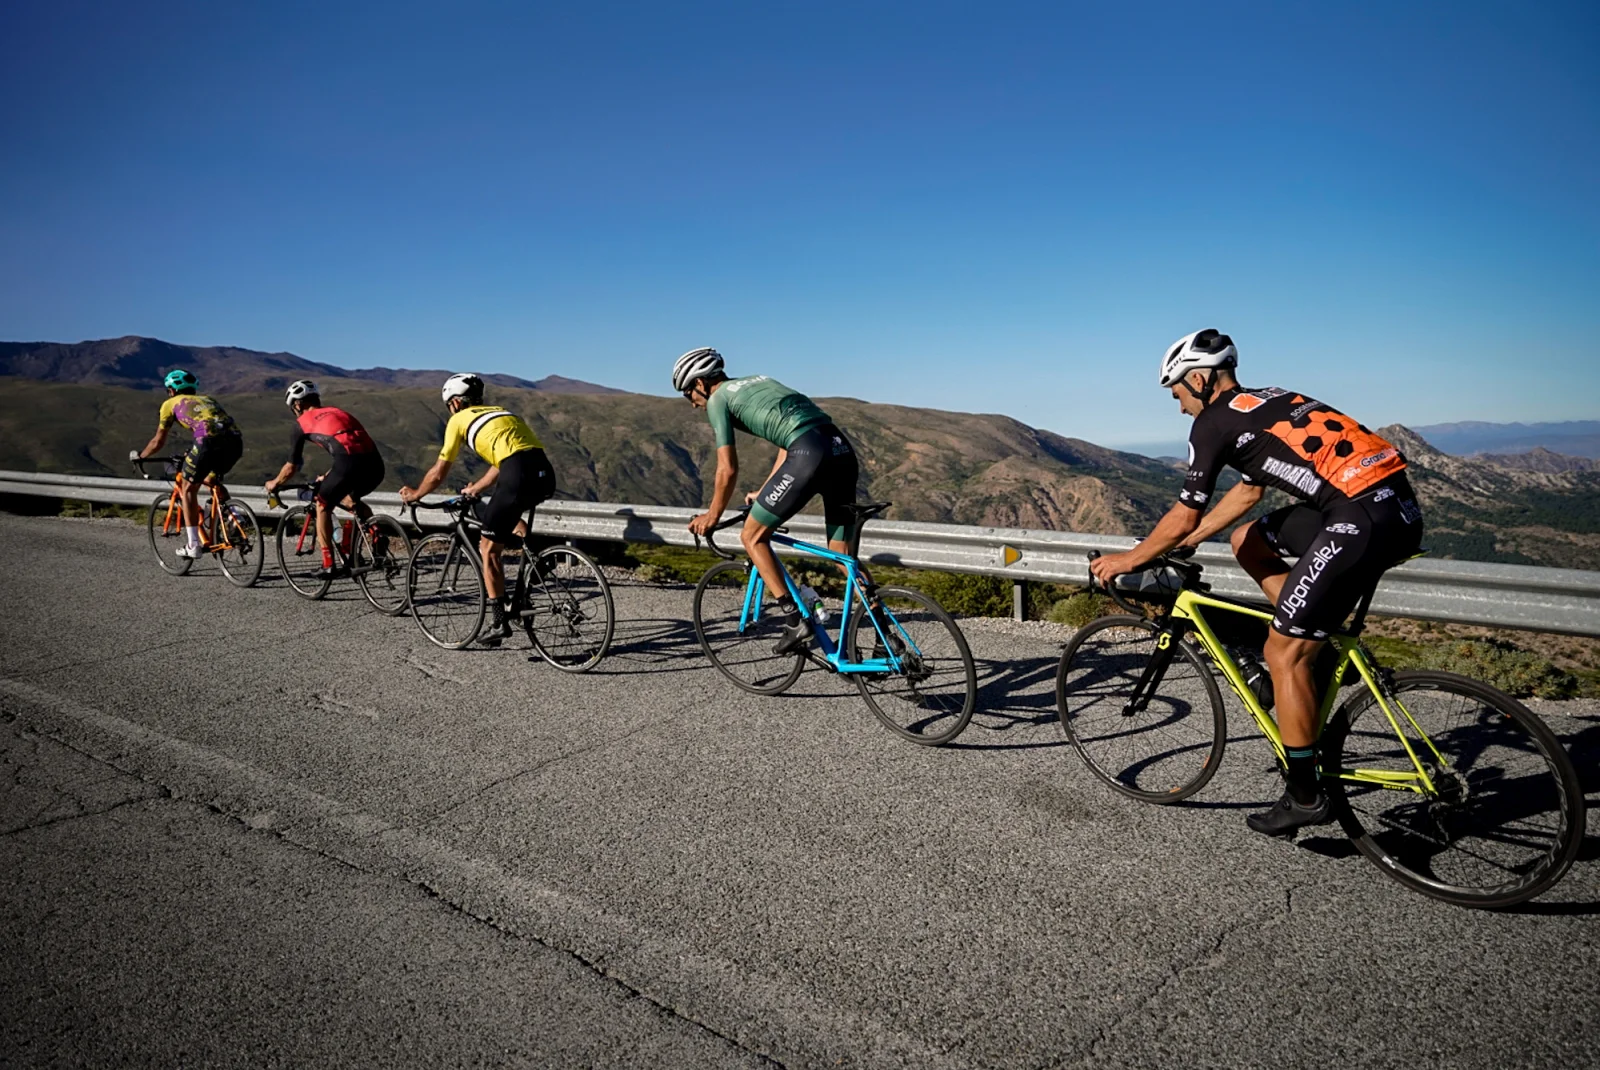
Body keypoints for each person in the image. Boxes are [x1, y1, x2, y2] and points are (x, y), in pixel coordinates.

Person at [1089, 329, 1424, 836]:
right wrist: (1199, 538)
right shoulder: (1269, 401)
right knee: (1249, 539)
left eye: (1177, 393)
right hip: (1393, 508)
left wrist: (1129, 558)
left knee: (1282, 652)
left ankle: (1306, 795)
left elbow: (1181, 513)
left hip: (1358, 519)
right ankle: (1316, 642)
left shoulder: (1212, 422)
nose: (1179, 408)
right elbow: (1247, 496)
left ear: (1199, 380)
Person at [674, 347, 861, 654]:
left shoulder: (718, 399)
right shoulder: (759, 380)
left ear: (700, 384)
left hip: (809, 454)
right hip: (840, 449)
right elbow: (787, 440)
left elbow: (727, 469)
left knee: (751, 535)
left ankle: (793, 620)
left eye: (687, 394)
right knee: (842, 556)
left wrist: (713, 515)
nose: (692, 404)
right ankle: (888, 638)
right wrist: (765, 491)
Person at [397, 374, 556, 645]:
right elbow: (502, 460)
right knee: (509, 511)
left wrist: (416, 493)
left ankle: (498, 622)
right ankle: (537, 561)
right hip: (544, 474)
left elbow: (438, 473)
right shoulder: (502, 413)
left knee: (488, 548)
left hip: (516, 475)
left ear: (456, 403)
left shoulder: (458, 420)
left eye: (449, 405)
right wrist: (477, 489)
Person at [263, 380, 386, 580]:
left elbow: (291, 466)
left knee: (322, 504)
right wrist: (330, 475)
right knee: (350, 498)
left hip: (347, 463)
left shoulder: (301, 423)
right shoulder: (340, 412)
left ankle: (328, 564)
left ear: (297, 404)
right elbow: (351, 446)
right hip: (375, 464)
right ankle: (376, 532)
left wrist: (274, 483)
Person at [130, 369, 244, 559]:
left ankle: (193, 545)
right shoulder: (208, 399)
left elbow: (158, 441)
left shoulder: (169, 404)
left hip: (207, 441)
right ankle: (235, 516)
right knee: (211, 479)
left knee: (188, 489)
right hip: (235, 441)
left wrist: (141, 456)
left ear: (172, 390)